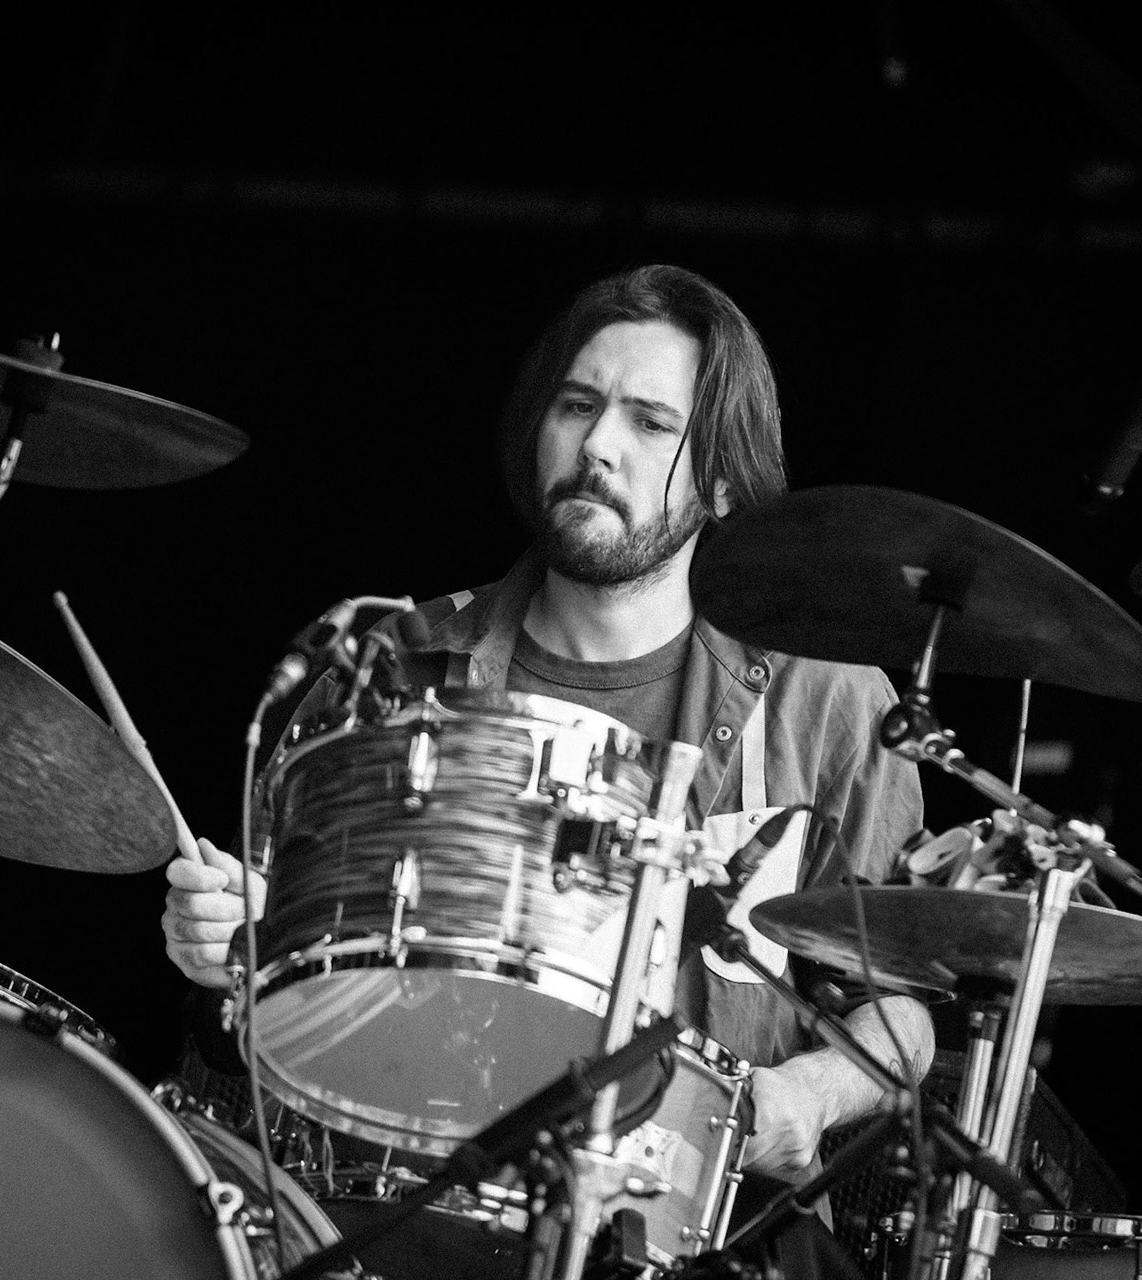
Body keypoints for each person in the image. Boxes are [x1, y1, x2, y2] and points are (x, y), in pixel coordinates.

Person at [163, 264, 933, 1271]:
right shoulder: (389, 664)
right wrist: (234, 938)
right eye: (578, 405)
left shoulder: (825, 700)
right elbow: (276, 983)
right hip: (390, 1208)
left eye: (651, 423)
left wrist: (805, 1095)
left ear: (725, 477)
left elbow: (908, 1007)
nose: (599, 444)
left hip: (695, 1233)